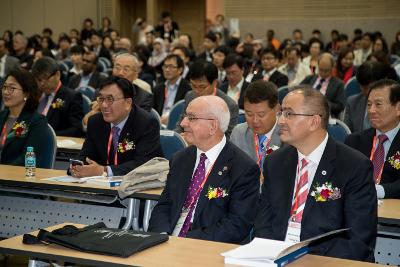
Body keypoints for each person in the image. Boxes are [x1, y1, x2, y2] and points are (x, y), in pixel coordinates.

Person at [254, 85, 377, 261]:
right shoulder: (276, 162)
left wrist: (303, 256)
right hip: (275, 258)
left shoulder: (354, 166)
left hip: (327, 260)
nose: (280, 120)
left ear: (314, 121)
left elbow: (359, 240)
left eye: (289, 114)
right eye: (281, 113)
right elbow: (263, 225)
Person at [148, 95, 260, 243]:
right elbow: (164, 205)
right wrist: (162, 236)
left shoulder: (243, 168)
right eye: (185, 116)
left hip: (207, 246)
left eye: (191, 118)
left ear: (213, 126)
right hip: (168, 241)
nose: (183, 123)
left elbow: (236, 225)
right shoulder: (180, 159)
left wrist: (186, 241)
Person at [71, 76, 162, 177]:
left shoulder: (146, 123)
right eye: (101, 99)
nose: (104, 105)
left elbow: (144, 164)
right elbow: (85, 155)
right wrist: (77, 167)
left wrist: (104, 170)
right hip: (99, 186)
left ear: (128, 103)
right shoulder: (95, 122)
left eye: (110, 99)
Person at [345, 79, 400, 199]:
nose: (371, 111)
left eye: (378, 104)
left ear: (398, 108)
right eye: (369, 104)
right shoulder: (354, 141)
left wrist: (375, 191)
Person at [82, 53, 153, 128]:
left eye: (126, 69)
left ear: (136, 75)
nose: (120, 73)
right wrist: (94, 111)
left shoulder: (144, 97)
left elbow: (139, 125)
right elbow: (87, 124)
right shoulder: (100, 92)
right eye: (117, 68)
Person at [230, 80, 281, 180]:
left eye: (261, 114)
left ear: (276, 109)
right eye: (249, 114)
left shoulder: (288, 136)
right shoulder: (238, 133)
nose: (255, 120)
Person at [0, 68, 50, 167]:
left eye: (12, 88)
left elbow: (27, 159)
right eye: (4, 87)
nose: (5, 92)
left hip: (15, 178)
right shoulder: (1, 116)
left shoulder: (37, 122)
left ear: (26, 93)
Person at [176, 60, 238, 137]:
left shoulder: (229, 105)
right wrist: (178, 138)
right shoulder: (190, 95)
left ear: (215, 83)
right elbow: (181, 124)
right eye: (193, 85)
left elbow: (228, 137)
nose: (196, 91)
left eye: (202, 87)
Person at [31, 57, 83, 137]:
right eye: (39, 80)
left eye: (45, 78)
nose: (42, 84)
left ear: (57, 75)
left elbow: (76, 129)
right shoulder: (34, 94)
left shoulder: (72, 97)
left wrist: (49, 136)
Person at [344, 61, 387, 133]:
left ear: (382, 82)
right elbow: (347, 133)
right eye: (362, 87)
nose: (366, 92)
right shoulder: (352, 102)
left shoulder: (392, 105)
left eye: (370, 87)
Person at [301, 53, 345, 118]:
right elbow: (297, 91)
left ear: (332, 68)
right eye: (321, 70)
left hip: (325, 116)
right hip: (305, 111)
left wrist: (323, 103)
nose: (323, 73)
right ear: (318, 66)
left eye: (326, 70)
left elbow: (340, 106)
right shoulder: (309, 79)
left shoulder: (338, 84)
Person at [153, 54, 191, 124]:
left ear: (180, 70)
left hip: (177, 124)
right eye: (165, 66)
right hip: (159, 123)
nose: (167, 70)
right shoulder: (158, 88)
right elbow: (153, 110)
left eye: (171, 67)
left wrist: (170, 118)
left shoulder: (188, 88)